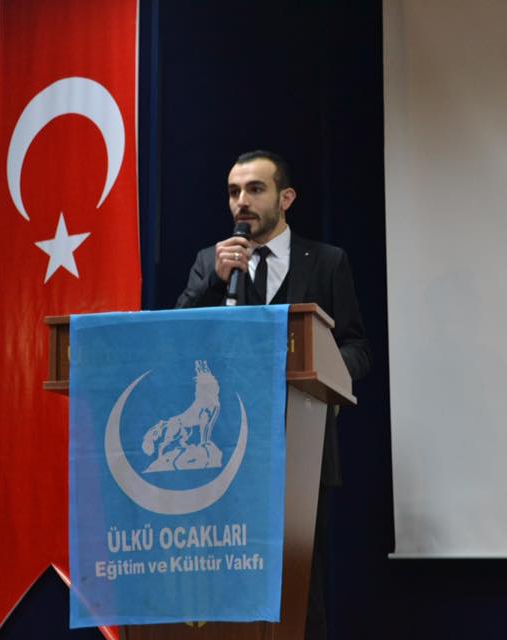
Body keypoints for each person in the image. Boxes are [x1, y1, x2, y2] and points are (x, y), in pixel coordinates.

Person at [176, 150, 370, 637]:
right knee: (227, 584)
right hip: (222, 448)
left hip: (300, 445)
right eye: (233, 192)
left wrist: (324, 371)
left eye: (255, 189)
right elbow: (178, 338)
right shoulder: (209, 262)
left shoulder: (326, 262)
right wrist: (212, 283)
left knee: (299, 587)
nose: (241, 201)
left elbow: (357, 348)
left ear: (286, 198)